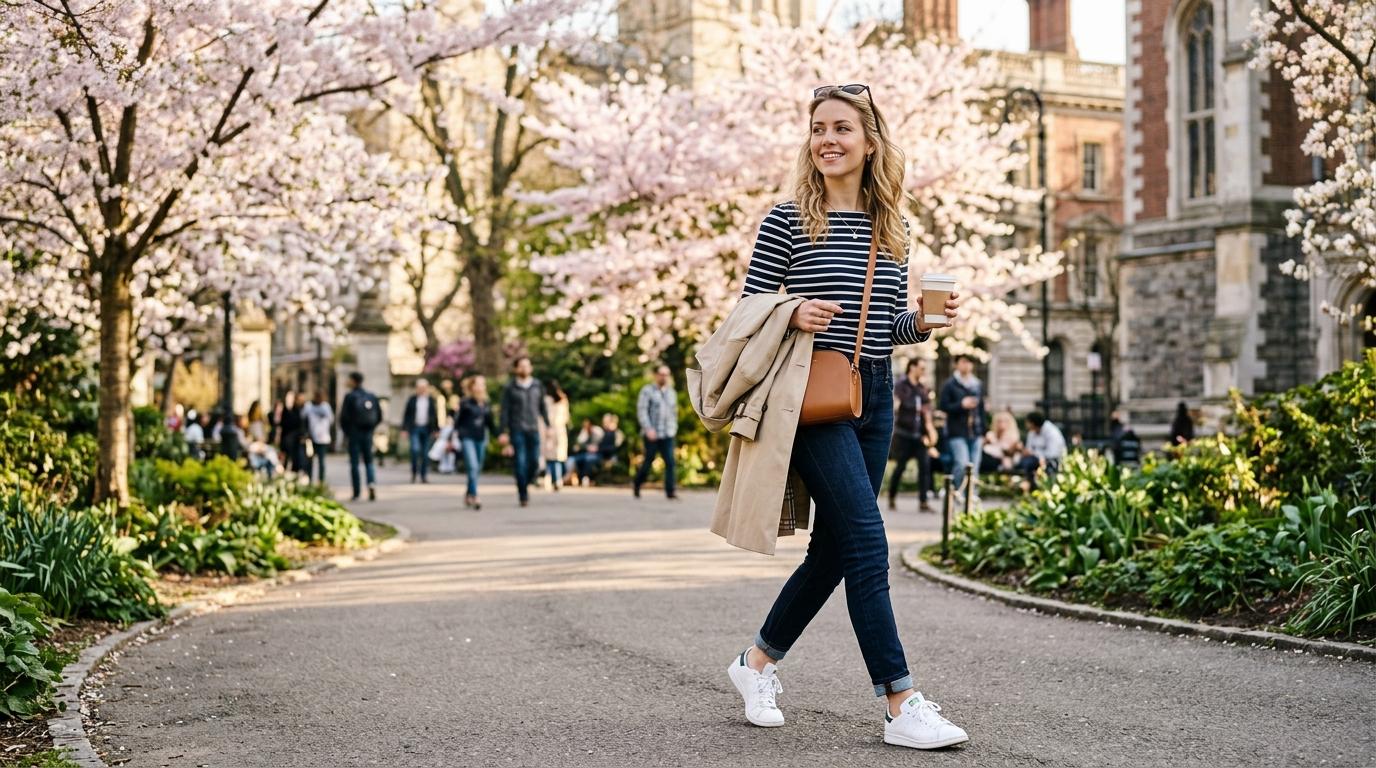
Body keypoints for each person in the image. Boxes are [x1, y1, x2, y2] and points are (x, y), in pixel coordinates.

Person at [723, 84, 967, 749]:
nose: (826, 139)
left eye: (841, 128)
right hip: (808, 395)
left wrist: (920, 322)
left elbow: (884, 324)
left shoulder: (894, 226)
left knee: (833, 548)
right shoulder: (787, 219)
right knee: (866, 543)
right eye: (817, 128)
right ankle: (900, 702)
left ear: (870, 141)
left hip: (875, 393)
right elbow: (747, 312)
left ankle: (756, 663)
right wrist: (791, 312)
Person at [886, 358, 937, 513]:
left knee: (925, 467)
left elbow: (928, 409)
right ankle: (892, 496)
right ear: (912, 367)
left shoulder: (922, 388)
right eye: (921, 367)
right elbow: (899, 405)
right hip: (904, 434)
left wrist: (929, 428)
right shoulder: (901, 386)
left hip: (920, 435)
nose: (924, 371)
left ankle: (923, 501)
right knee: (900, 467)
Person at [498, 356, 549, 508]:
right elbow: (504, 411)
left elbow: (542, 407)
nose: (524, 369)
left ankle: (526, 482)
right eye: (521, 366)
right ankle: (523, 493)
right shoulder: (510, 387)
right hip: (517, 429)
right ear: (516, 369)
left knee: (534, 461)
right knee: (519, 462)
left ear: (531, 368)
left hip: (533, 429)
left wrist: (549, 425)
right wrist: (503, 431)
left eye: (527, 366)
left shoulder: (537, 385)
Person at [939, 354, 986, 504]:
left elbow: (982, 409)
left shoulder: (977, 384)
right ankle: (957, 490)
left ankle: (971, 493)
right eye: (963, 362)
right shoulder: (950, 384)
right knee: (961, 462)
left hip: (976, 431)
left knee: (974, 465)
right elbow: (943, 406)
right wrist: (961, 404)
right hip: (957, 431)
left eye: (969, 362)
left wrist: (985, 431)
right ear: (957, 365)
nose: (966, 365)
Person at [633, 364, 679, 500]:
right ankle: (637, 483)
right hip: (652, 434)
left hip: (667, 433)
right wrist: (648, 429)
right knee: (648, 461)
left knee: (670, 462)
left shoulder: (672, 393)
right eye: (661, 373)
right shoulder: (647, 391)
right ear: (656, 375)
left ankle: (670, 492)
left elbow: (674, 413)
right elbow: (642, 411)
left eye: (666, 374)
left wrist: (673, 429)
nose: (664, 376)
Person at [455, 375, 498, 510]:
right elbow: (458, 422)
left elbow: (490, 424)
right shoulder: (465, 403)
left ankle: (468, 492)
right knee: (472, 467)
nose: (480, 387)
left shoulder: (486, 404)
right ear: (472, 387)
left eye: (482, 384)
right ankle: (474, 495)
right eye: (477, 384)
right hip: (468, 438)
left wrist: (500, 437)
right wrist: (459, 436)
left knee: (477, 468)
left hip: (481, 438)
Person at [339, 372, 381, 501]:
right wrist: (371, 429)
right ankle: (371, 483)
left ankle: (356, 492)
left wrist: (347, 432)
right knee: (369, 461)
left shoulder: (350, 396)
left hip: (354, 433)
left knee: (355, 463)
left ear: (353, 381)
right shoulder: (371, 396)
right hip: (367, 433)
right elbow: (379, 416)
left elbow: (343, 417)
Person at [402, 378, 441, 484]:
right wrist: (404, 429)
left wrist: (436, 430)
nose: (422, 390)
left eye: (424, 388)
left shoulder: (430, 400)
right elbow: (406, 415)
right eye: (420, 388)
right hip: (414, 428)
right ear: (417, 388)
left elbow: (434, 415)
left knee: (425, 453)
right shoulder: (412, 399)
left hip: (427, 429)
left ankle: (423, 475)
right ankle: (414, 472)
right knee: (415, 450)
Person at [1015, 411, 1067, 491]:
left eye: (1027, 422)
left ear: (1032, 423)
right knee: (1022, 463)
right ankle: (1029, 485)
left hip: (1052, 460)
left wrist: (1036, 454)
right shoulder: (1031, 433)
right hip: (1035, 459)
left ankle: (1034, 486)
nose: (1026, 425)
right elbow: (1029, 448)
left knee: (1029, 464)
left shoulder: (1052, 432)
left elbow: (1053, 453)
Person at [542, 380, 571, 491]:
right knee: (556, 458)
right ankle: (557, 479)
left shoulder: (546, 400)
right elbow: (566, 417)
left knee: (549, 457)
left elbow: (543, 417)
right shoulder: (563, 399)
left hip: (549, 430)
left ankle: (549, 478)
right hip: (559, 430)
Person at [301, 391, 334, 483]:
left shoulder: (326, 406)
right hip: (311, 438)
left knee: (321, 461)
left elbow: (331, 420)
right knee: (309, 461)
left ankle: (321, 480)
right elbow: (303, 418)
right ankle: (310, 479)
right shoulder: (309, 406)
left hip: (323, 439)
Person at [245, 400, 280, 478]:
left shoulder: (252, 423)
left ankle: (277, 468)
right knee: (271, 453)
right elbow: (259, 439)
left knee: (271, 453)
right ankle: (278, 468)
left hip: (257, 446)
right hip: (258, 446)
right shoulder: (257, 424)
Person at [981, 409, 1023, 474]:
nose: (1001, 424)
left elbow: (1010, 453)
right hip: (991, 460)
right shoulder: (990, 434)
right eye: (999, 421)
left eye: (1004, 421)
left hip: (1005, 460)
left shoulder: (1013, 436)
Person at [278, 391, 306, 476]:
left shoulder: (297, 410)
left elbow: (299, 424)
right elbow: (282, 424)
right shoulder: (285, 410)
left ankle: (295, 474)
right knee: (285, 459)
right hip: (286, 438)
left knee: (295, 459)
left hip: (294, 439)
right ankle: (284, 473)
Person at [570, 417, 605, 487]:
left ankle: (585, 477)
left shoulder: (598, 431)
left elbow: (602, 443)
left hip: (597, 454)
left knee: (589, 459)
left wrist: (597, 448)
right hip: (586, 453)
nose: (585, 425)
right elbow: (579, 444)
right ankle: (577, 478)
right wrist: (586, 446)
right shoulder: (584, 432)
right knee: (576, 459)